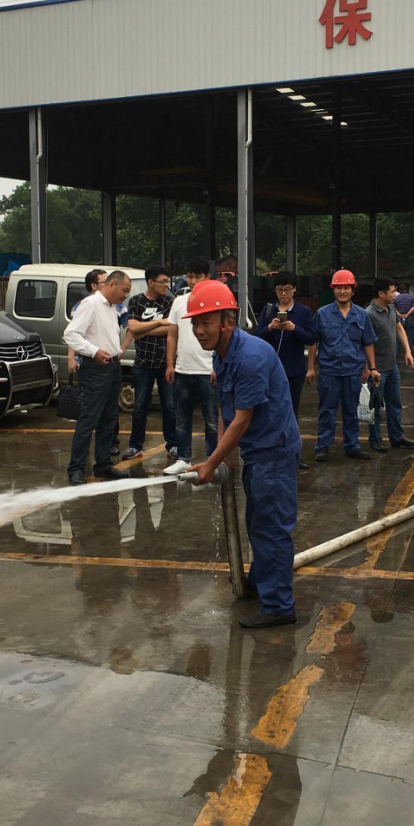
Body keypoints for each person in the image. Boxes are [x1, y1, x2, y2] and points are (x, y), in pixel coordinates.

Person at [188, 280, 301, 630]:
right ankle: (262, 581)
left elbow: (242, 419)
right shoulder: (222, 353)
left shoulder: (249, 357)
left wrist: (211, 463)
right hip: (258, 451)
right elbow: (226, 405)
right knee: (258, 524)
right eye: (195, 323)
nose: (199, 330)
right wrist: (222, 455)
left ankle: (279, 606)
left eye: (206, 322)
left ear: (228, 321)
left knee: (271, 529)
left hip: (274, 452)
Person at [63, 269, 133, 485]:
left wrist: (116, 351)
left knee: (109, 419)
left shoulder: (112, 307)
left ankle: (103, 464)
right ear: (111, 285)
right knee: (89, 419)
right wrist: (93, 351)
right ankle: (76, 468)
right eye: (124, 290)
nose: (126, 295)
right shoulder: (91, 304)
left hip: (111, 367)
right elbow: (70, 334)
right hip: (95, 369)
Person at [307, 268, 380, 462]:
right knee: (326, 410)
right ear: (333, 290)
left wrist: (371, 368)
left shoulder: (361, 315)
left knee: (351, 411)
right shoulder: (322, 314)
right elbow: (313, 342)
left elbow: (368, 343)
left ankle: (352, 446)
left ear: (352, 290)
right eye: (338, 288)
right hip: (329, 371)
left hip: (353, 371)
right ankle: (323, 446)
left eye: (346, 287)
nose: (342, 291)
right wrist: (311, 368)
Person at [256, 271, 316, 469]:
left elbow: (312, 338)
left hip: (294, 371)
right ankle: (271, 452)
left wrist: (294, 329)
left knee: (291, 412)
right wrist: (269, 328)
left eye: (287, 289)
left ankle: (293, 454)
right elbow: (256, 337)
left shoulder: (303, 312)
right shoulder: (268, 311)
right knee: (269, 411)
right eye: (280, 290)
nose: (284, 293)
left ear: (294, 289)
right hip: (270, 371)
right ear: (275, 290)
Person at [164, 258, 218, 475]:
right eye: (190, 276)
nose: (193, 281)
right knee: (182, 418)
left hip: (208, 370)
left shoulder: (216, 301)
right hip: (183, 370)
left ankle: (213, 459)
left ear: (208, 277)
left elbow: (225, 337)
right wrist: (170, 364)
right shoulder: (179, 301)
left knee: (212, 420)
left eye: (198, 276)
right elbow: (172, 335)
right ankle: (183, 458)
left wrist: (218, 366)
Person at [123, 266, 178, 460]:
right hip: (143, 364)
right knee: (139, 406)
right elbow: (132, 327)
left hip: (165, 363)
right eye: (162, 281)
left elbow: (171, 329)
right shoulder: (136, 301)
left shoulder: (169, 302)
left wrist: (144, 330)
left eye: (167, 281)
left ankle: (173, 444)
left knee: (169, 406)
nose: (166, 285)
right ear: (151, 282)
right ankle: (135, 446)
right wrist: (159, 322)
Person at [365, 277, 414, 453]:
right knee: (375, 407)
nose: (395, 295)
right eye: (392, 291)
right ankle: (375, 439)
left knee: (395, 404)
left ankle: (397, 437)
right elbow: (365, 343)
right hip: (377, 369)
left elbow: (399, 328)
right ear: (381, 294)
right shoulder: (369, 314)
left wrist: (408, 351)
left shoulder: (391, 308)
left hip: (392, 366)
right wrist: (370, 368)